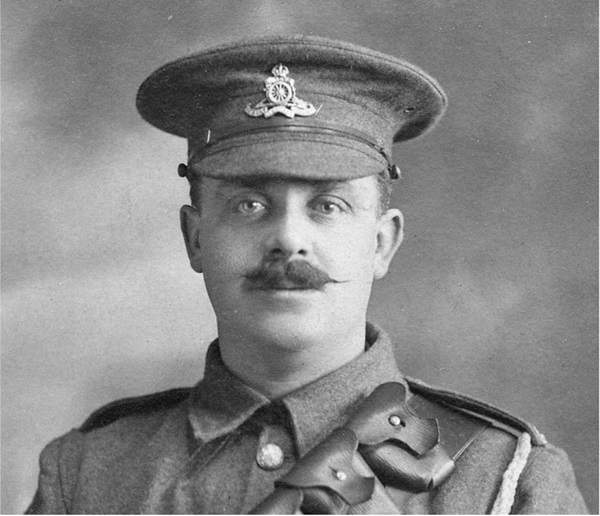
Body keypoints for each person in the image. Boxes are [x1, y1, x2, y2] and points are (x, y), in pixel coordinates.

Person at [26, 34, 587, 514]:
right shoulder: (89, 476)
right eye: (249, 205)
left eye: (328, 206)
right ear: (195, 238)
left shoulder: (503, 481)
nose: (289, 239)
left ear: (381, 243)